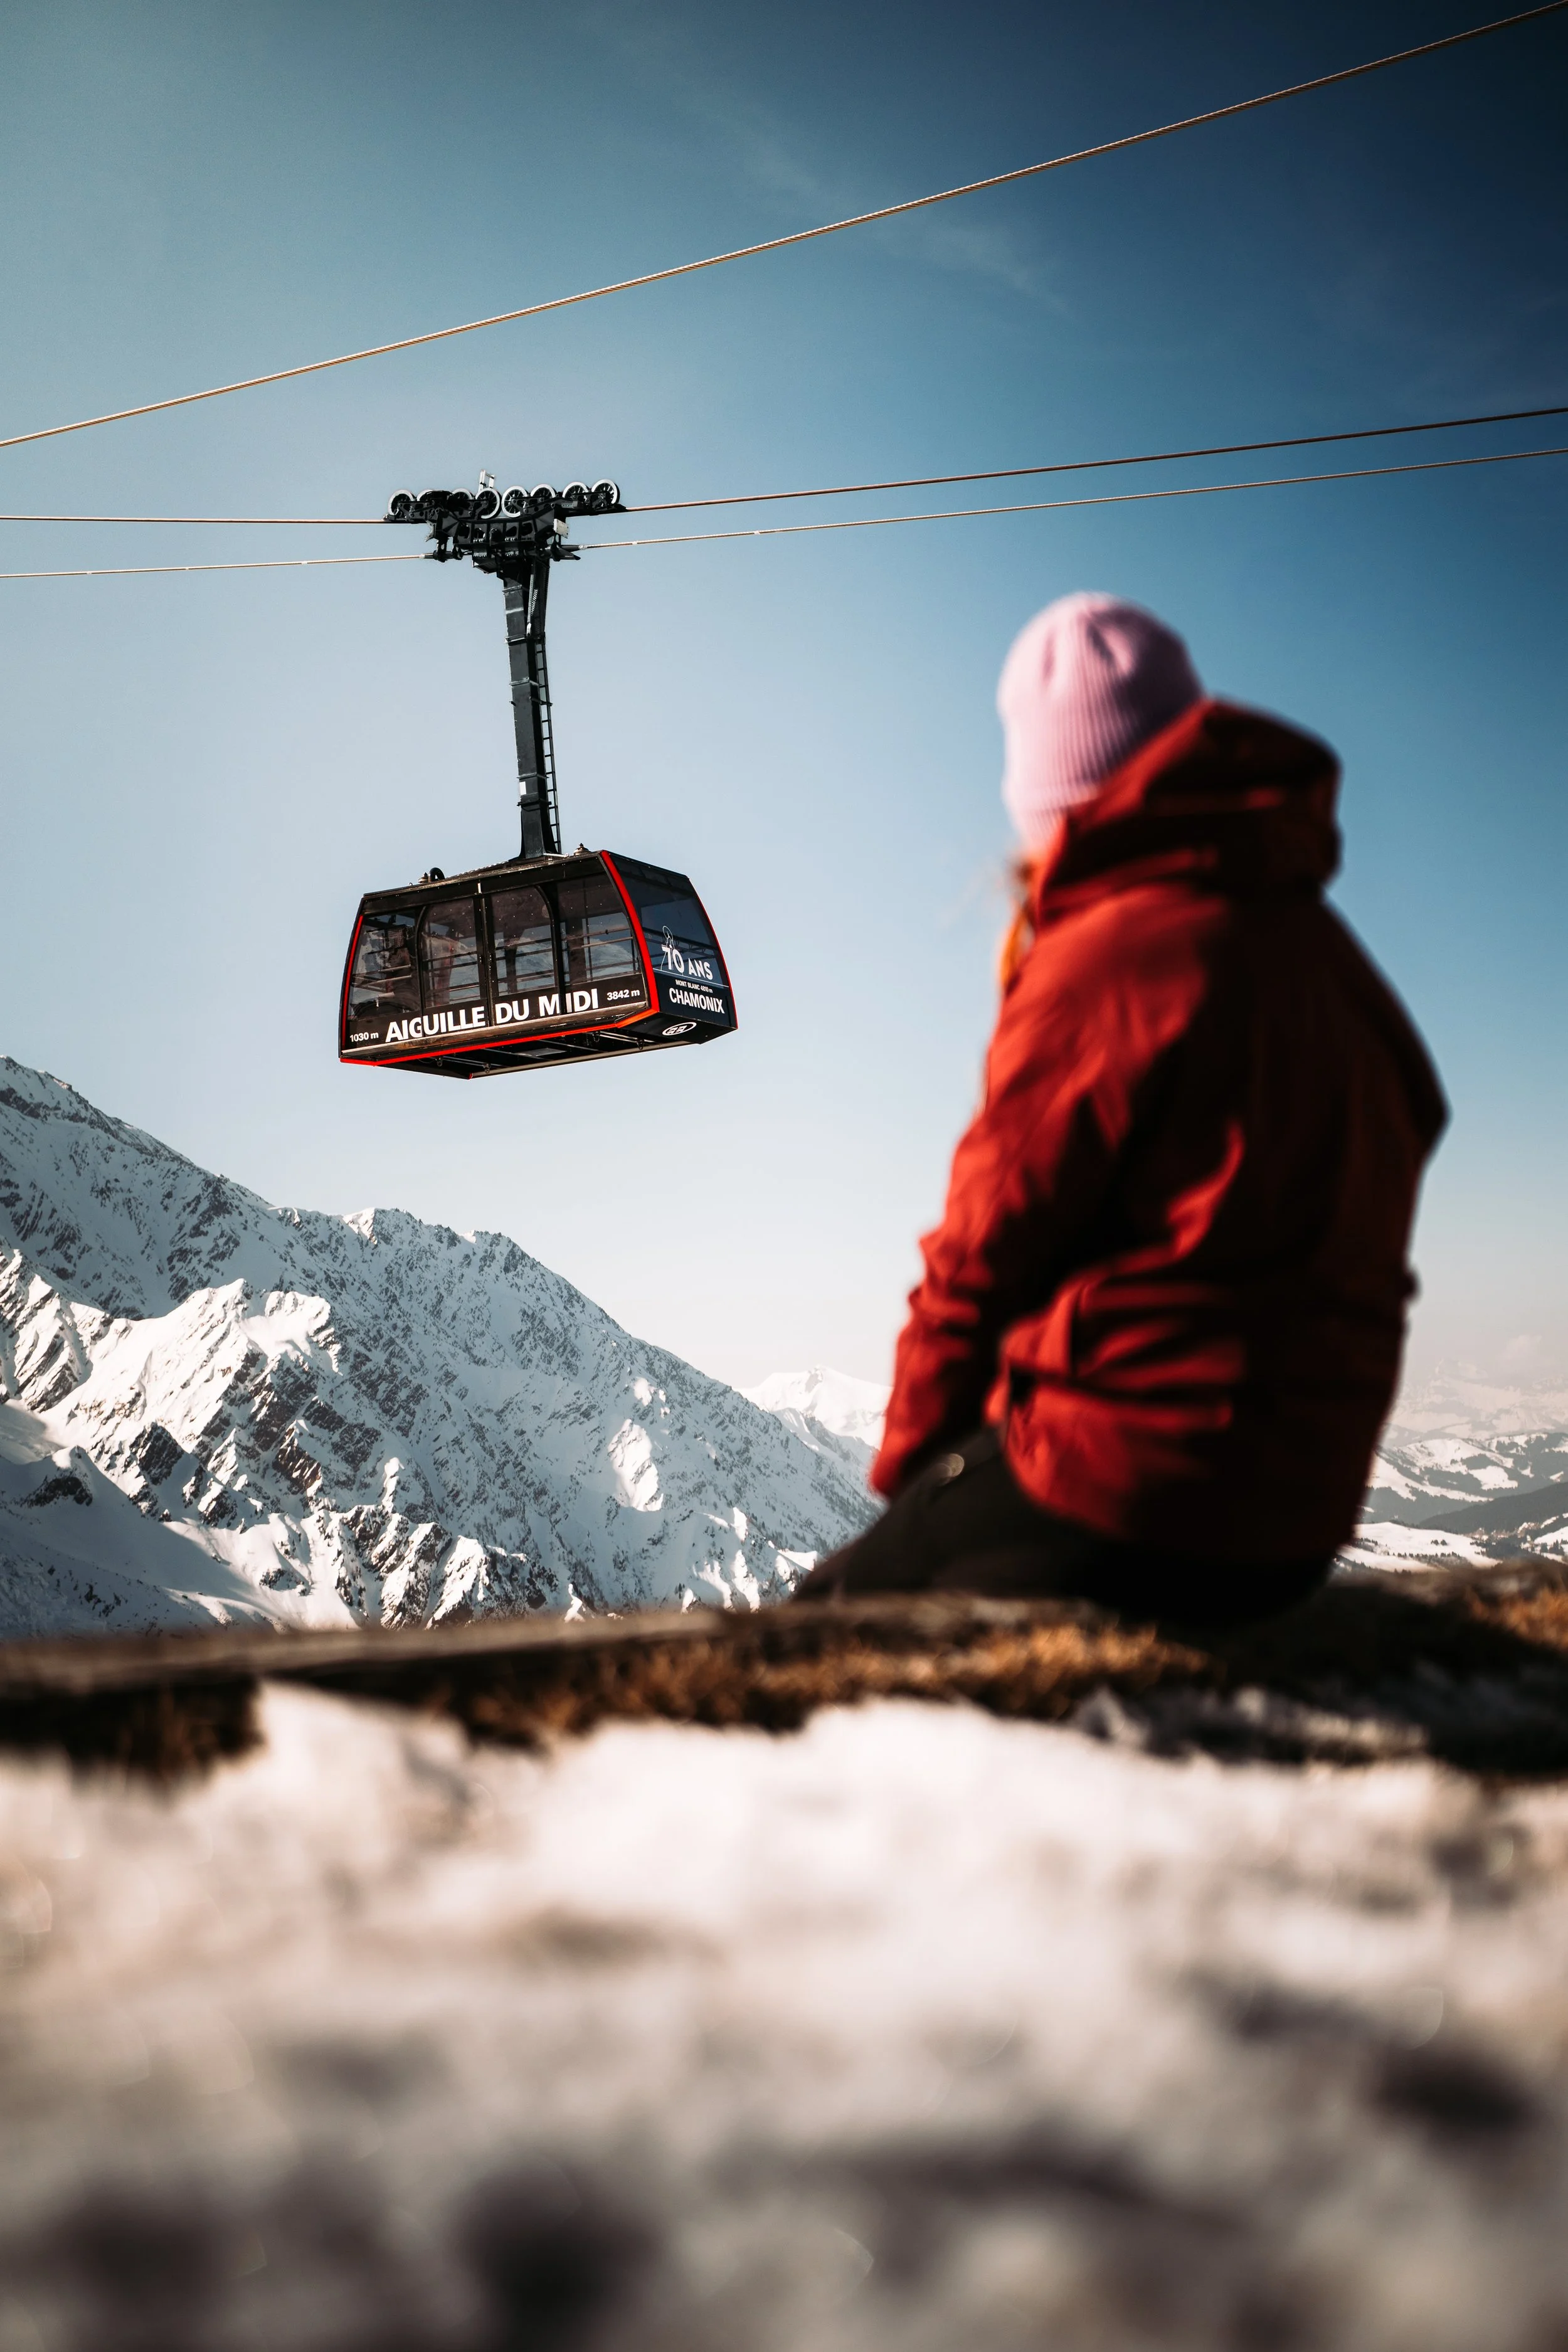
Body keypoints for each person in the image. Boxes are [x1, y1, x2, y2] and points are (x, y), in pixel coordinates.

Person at [797, 592, 1446, 1625]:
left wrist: (921, 1483)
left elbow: (983, 1251)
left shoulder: (1106, 960)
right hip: (1301, 1515)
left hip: (1129, 1486)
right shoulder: (1335, 963)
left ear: (1052, 805)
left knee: (814, 1630)